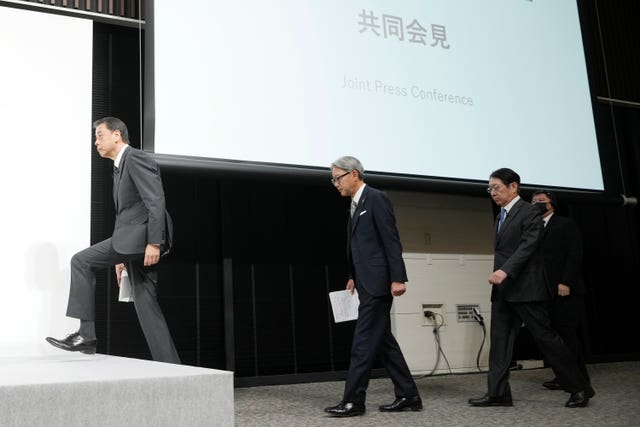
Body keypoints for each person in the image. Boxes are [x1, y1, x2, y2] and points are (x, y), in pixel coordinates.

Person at [46, 117, 180, 364]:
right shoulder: (118, 168)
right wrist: (121, 257)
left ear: (117, 135)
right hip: (132, 242)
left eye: (100, 135)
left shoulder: (135, 158)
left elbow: (155, 200)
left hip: (144, 239)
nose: (96, 142)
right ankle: (172, 366)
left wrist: (154, 242)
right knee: (145, 303)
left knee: (80, 262)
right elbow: (127, 214)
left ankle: (86, 335)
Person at [467, 168, 593, 408]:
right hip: (504, 291)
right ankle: (498, 393)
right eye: (489, 188)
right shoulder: (500, 215)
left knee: (548, 340)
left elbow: (529, 245)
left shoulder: (529, 211)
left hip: (527, 289)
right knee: (500, 343)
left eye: (496, 187)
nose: (492, 192)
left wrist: (505, 271)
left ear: (514, 186)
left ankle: (580, 388)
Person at [324, 156, 421, 417]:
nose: (335, 184)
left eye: (338, 178)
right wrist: (354, 275)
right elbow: (363, 246)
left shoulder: (376, 198)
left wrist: (398, 277)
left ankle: (354, 401)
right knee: (383, 343)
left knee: (363, 343)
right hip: (366, 282)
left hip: (379, 284)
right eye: (333, 179)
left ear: (354, 174)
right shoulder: (356, 205)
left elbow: (390, 240)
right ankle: (409, 395)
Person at [531, 190, 591, 390]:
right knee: (552, 339)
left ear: (552, 204)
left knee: (568, 337)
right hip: (542, 291)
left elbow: (575, 254)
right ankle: (562, 376)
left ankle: (580, 380)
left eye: (541, 201)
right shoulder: (532, 227)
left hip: (565, 291)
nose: (537, 204)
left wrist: (566, 282)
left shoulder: (565, 224)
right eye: (534, 201)